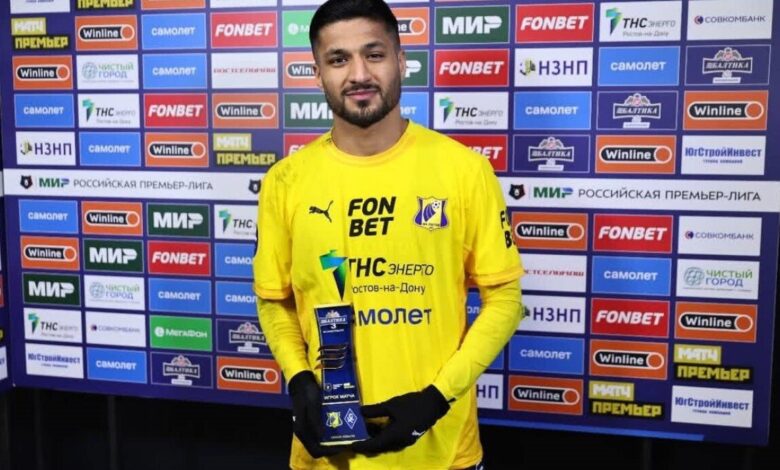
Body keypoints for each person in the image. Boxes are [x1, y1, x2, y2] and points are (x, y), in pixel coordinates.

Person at [253, 0, 523, 468]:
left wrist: (436, 399)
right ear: (317, 73)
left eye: (374, 55)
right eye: (339, 59)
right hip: (328, 457)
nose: (359, 74)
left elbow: (505, 300)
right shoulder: (285, 182)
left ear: (401, 61)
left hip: (443, 453)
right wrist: (299, 380)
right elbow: (275, 300)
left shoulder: (464, 171)